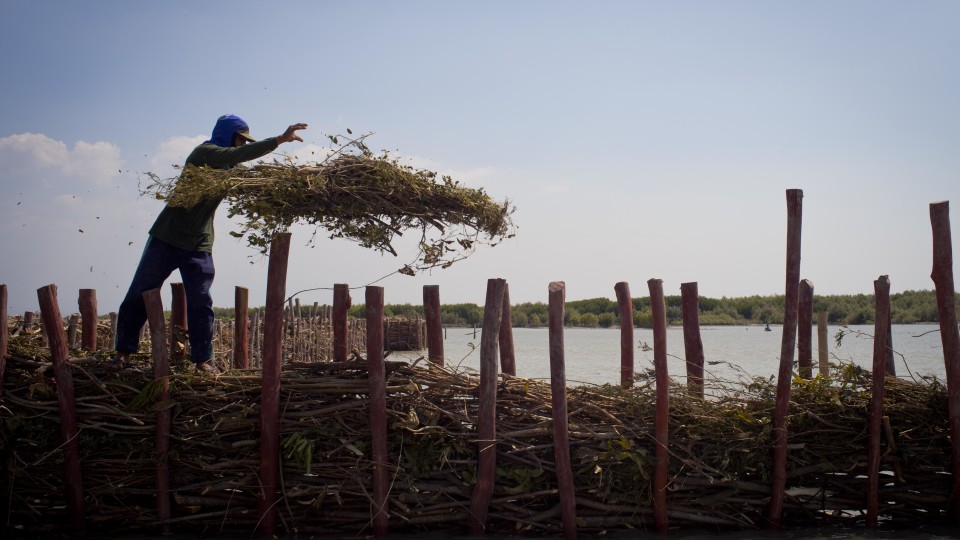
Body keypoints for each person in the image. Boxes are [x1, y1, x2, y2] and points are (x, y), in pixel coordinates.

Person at [113, 115, 307, 375]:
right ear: (227, 136)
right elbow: (246, 154)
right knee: (140, 293)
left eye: (243, 142)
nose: (241, 146)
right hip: (167, 237)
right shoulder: (204, 153)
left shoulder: (229, 169)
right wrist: (278, 140)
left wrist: (297, 181)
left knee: (201, 301)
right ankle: (123, 353)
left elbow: (255, 177)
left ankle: (202, 360)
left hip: (200, 243)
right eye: (239, 140)